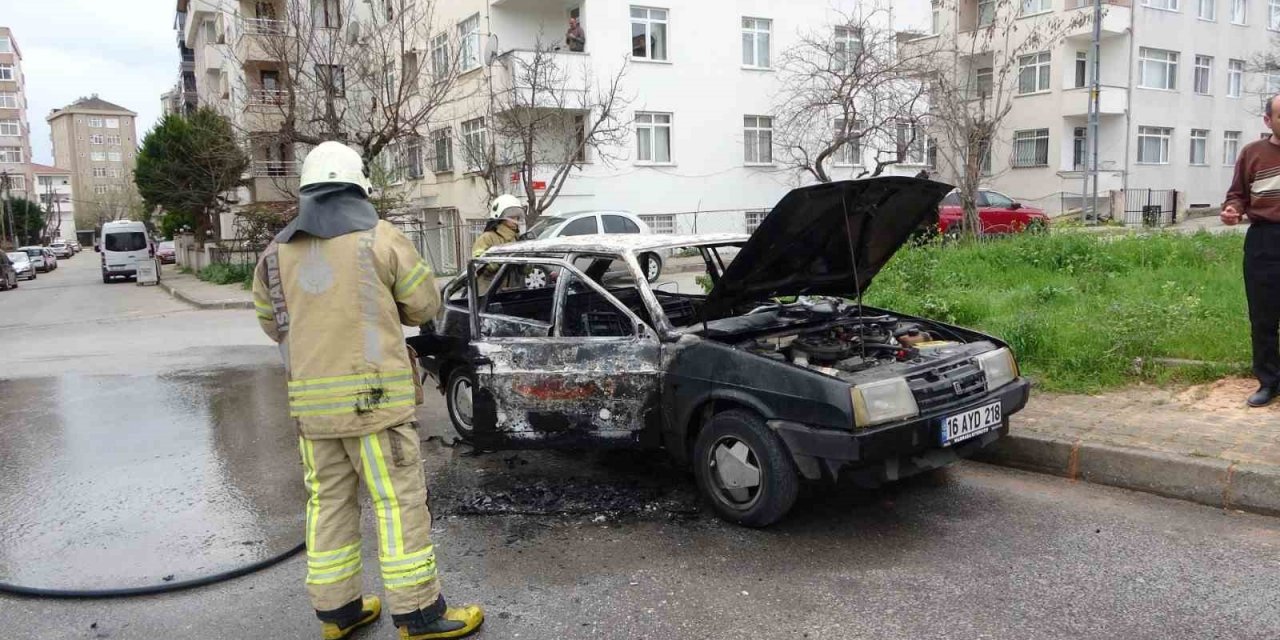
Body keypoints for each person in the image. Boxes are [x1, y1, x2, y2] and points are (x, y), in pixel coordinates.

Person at [252, 141, 484, 639]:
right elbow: (423, 306)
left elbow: (272, 325)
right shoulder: (381, 238)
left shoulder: (275, 252)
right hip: (374, 407)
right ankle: (419, 614)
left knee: (328, 503)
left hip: (313, 414)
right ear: (359, 188)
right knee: (397, 505)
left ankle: (338, 613)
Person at [1222, 93, 1280, 407]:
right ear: (1268, 120)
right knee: (1264, 317)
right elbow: (1237, 196)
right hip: (1264, 241)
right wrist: (1232, 210)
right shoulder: (1252, 153)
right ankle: (1269, 382)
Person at [471, 194, 524, 290]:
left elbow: (523, 271)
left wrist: (527, 263)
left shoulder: (516, 238)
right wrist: (491, 262)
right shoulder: (487, 237)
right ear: (500, 216)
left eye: (517, 217)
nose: (515, 220)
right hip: (488, 293)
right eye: (512, 216)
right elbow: (478, 263)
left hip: (511, 292)